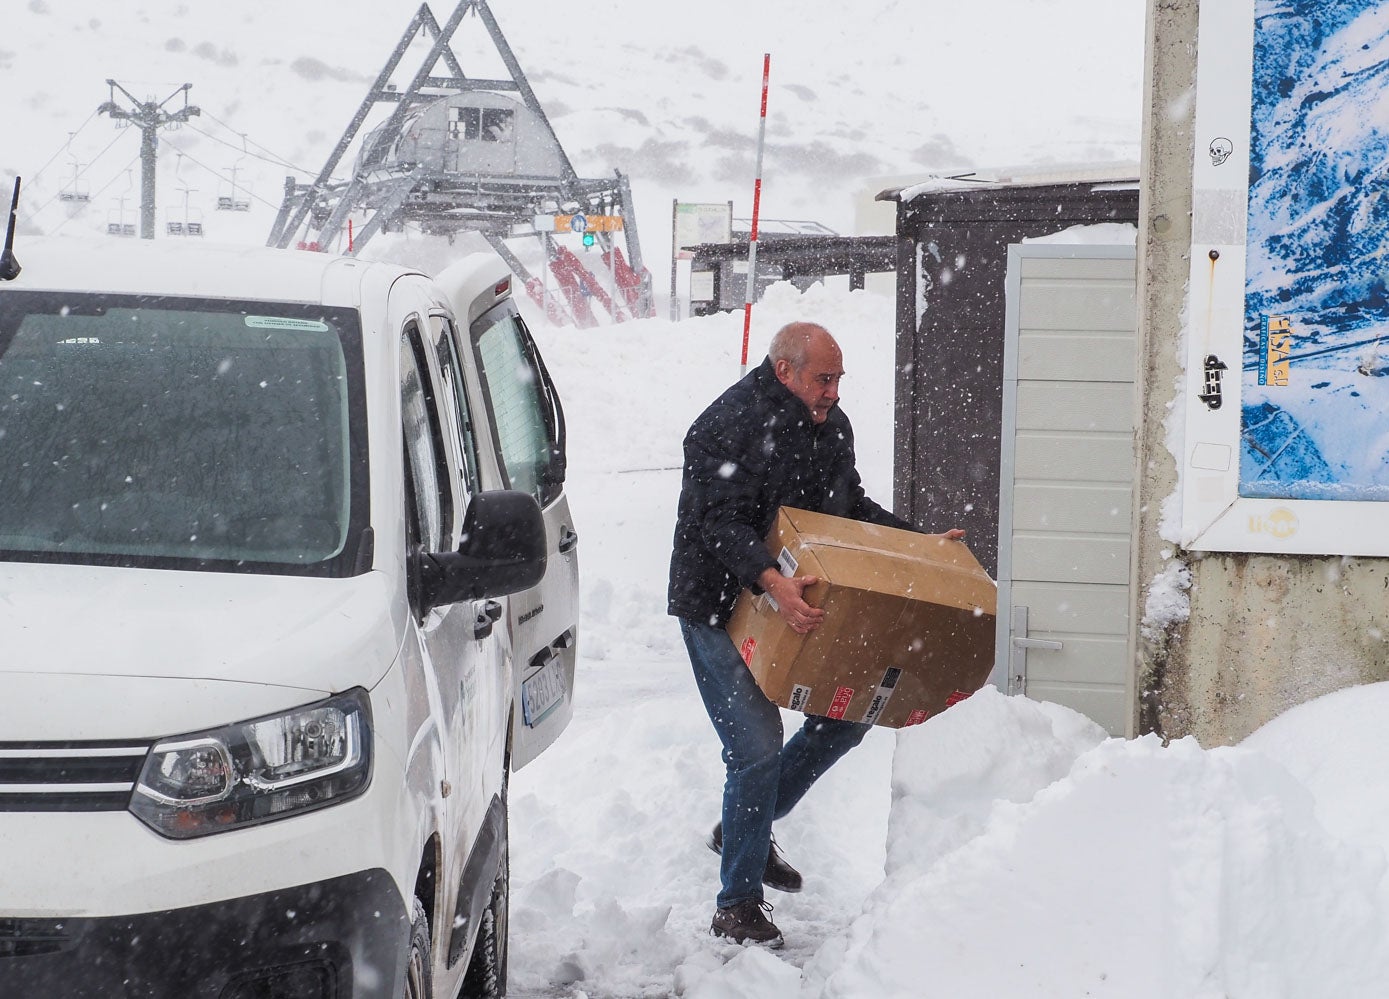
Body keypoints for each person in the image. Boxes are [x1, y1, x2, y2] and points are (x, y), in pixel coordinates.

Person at [668, 320, 964, 947]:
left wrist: (920, 542)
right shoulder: (725, 426)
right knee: (755, 747)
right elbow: (716, 525)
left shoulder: (831, 428)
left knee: (850, 714)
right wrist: (770, 580)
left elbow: (848, 510)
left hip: (787, 592)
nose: (832, 391)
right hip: (718, 602)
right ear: (785, 371)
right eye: (822, 379)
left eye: (837, 379)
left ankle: (747, 822)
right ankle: (737, 907)